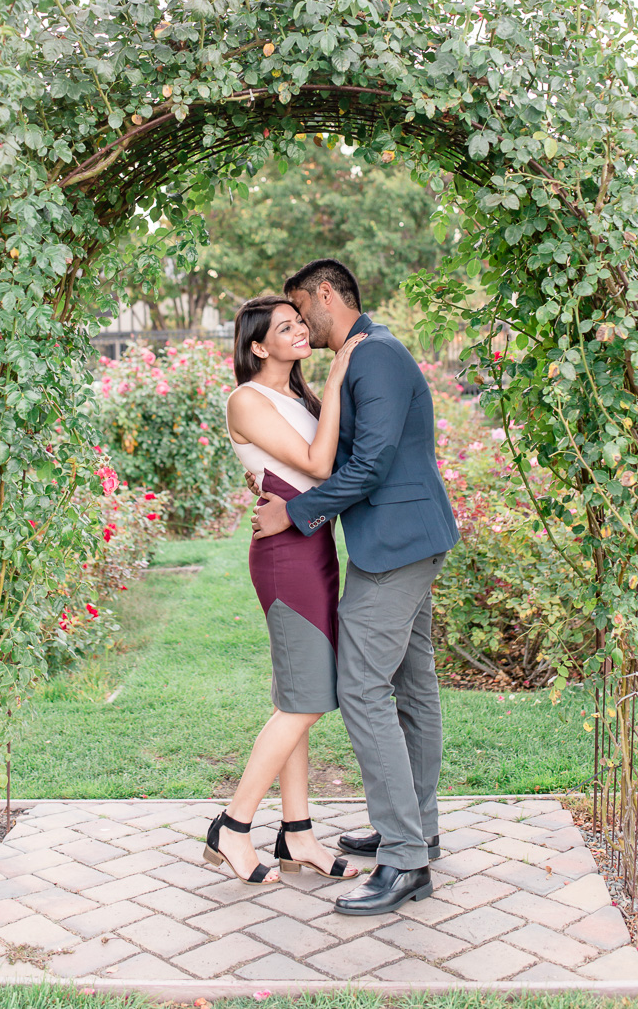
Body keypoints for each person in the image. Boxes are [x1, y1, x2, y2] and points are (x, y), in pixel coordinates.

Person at [252, 259, 460, 915]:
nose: (300, 324)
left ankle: (405, 860)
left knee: (362, 688)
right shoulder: (364, 356)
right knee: (412, 689)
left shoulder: (375, 357)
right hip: (405, 542)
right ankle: (415, 829)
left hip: (394, 551)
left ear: (325, 296)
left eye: (299, 310)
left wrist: (296, 512)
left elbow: (368, 465)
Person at [203, 293, 365, 886]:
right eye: (285, 327)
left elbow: (324, 466)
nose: (300, 332)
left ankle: (297, 834)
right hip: (284, 558)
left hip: (312, 545)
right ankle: (233, 826)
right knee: (308, 700)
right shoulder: (246, 399)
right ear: (257, 346)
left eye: (300, 323)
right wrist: (343, 366)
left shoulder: (297, 396)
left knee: (294, 699)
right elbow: (319, 467)